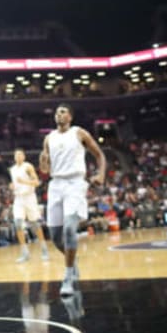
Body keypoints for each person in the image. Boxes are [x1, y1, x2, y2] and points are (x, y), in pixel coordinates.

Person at [40, 104, 106, 296]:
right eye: (56, 112)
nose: (58, 115)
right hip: (56, 184)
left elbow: (100, 155)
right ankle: (72, 260)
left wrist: (100, 174)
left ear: (70, 116)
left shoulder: (79, 133)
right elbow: (45, 167)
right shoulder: (49, 138)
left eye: (62, 112)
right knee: (55, 237)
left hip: (75, 183)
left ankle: (68, 275)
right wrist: (43, 164)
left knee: (70, 228)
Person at [9, 149, 49, 263]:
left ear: (24, 156)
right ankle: (25, 253)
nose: (18, 156)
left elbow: (36, 182)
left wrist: (24, 182)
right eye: (16, 155)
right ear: (14, 157)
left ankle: (44, 249)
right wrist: (12, 186)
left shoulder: (28, 167)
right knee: (17, 224)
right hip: (18, 198)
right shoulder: (12, 169)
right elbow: (15, 184)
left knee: (35, 224)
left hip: (29, 197)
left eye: (20, 154)